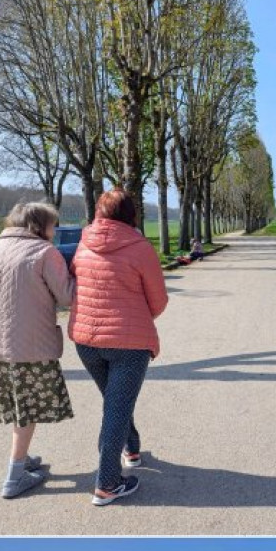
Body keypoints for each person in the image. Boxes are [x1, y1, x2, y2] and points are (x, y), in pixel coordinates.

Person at [0, 202, 74, 499]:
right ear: (39, 226)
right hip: (31, 349)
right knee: (27, 412)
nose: (55, 230)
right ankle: (14, 475)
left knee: (18, 408)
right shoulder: (44, 252)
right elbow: (67, 296)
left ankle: (22, 457)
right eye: (53, 225)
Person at [69, 188, 168, 506]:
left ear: (99, 212)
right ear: (131, 215)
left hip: (86, 341)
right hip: (128, 344)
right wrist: (136, 316)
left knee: (116, 402)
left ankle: (133, 447)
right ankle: (107, 483)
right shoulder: (140, 248)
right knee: (116, 407)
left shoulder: (83, 243)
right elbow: (158, 301)